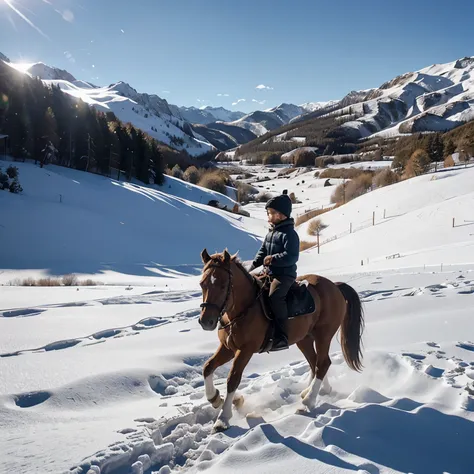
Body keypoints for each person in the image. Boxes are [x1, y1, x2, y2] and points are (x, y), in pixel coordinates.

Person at [248, 190, 300, 350]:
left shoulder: (290, 234)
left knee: (275, 296)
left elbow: (292, 256)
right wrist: (249, 268)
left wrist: (273, 259)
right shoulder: (271, 233)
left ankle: (281, 335)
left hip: (284, 275)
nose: (268, 216)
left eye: (270, 213)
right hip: (269, 273)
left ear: (281, 215)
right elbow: (262, 252)